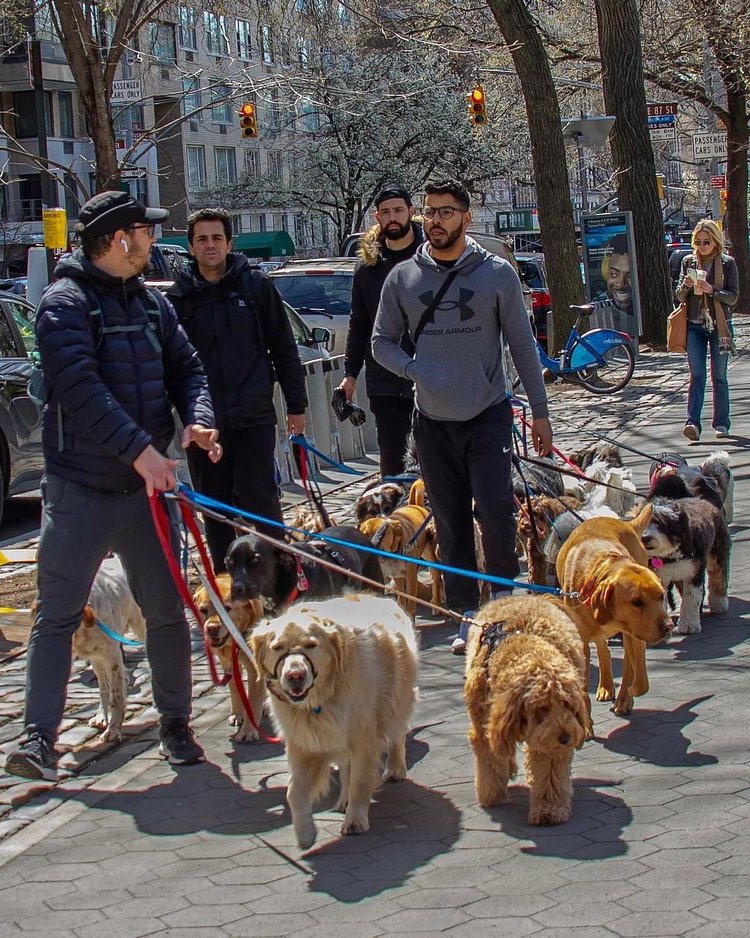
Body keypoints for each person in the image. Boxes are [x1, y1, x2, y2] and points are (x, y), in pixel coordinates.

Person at [4, 191, 221, 780]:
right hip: (78, 489)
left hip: (145, 494)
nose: (154, 240)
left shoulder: (153, 308)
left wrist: (198, 420)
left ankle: (176, 724)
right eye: (146, 232)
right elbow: (79, 388)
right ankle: (37, 739)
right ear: (121, 239)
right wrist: (141, 453)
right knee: (56, 614)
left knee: (167, 611)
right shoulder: (63, 304)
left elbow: (188, 368)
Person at [372, 179, 553, 654]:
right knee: (449, 521)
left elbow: (522, 346)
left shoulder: (496, 274)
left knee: (494, 510)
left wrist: (540, 411)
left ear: (466, 218)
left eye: (445, 212)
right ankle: (465, 610)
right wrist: (415, 370)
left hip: (488, 412)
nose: (434, 221)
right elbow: (380, 342)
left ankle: (505, 603)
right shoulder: (403, 279)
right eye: (429, 212)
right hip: (432, 420)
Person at [167, 209, 307, 572]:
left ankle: (279, 578)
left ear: (230, 243)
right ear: (191, 247)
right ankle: (228, 586)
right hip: (203, 422)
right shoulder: (178, 299)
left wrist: (297, 405)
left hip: (253, 415)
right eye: (202, 239)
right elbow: (169, 366)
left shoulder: (256, 286)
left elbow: (283, 347)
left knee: (260, 501)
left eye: (216, 238)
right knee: (215, 509)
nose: (210, 245)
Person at [337, 186, 424, 477]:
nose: (393, 217)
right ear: (377, 218)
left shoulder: (431, 257)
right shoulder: (368, 268)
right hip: (384, 380)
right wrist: (350, 375)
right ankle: (398, 519)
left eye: (398, 210)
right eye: (386, 212)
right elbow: (359, 324)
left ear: (411, 212)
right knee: (394, 464)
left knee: (434, 460)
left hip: (431, 376)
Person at [675, 218, 738, 442]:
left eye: (706, 242)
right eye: (699, 242)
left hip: (720, 326)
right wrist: (686, 287)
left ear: (715, 242)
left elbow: (733, 297)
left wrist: (712, 290)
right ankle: (692, 422)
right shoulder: (688, 262)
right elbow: (679, 296)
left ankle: (721, 423)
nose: (702, 246)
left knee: (719, 376)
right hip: (694, 325)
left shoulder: (728, 263)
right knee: (697, 375)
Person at [596, 233, 633, 315]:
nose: (620, 284)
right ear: (605, 272)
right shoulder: (597, 309)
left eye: (630, 275)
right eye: (614, 274)